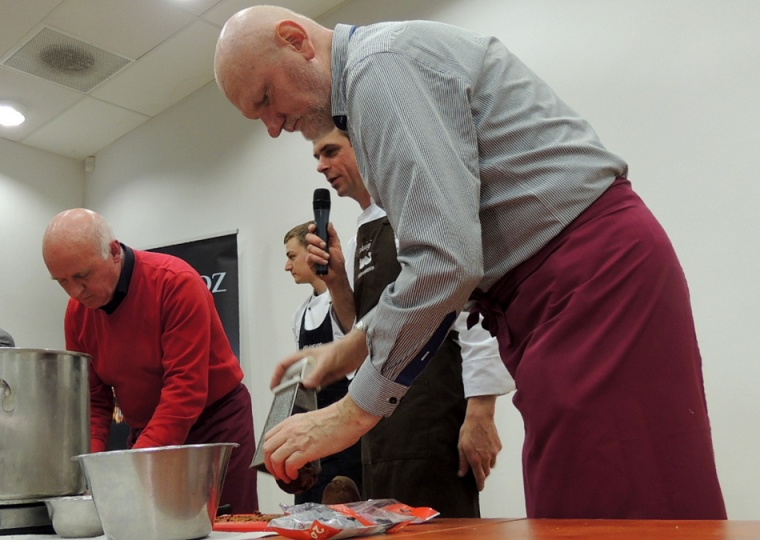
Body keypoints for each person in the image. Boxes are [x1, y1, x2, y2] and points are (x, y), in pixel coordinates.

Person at [214, 6, 726, 519]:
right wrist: (355, 346)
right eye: (257, 117)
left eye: (266, 99)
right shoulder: (375, 79)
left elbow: (445, 262)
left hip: (591, 278)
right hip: (559, 290)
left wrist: (350, 412)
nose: (274, 127)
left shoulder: (377, 69)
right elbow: (447, 255)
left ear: (294, 40)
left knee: (619, 507)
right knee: (581, 502)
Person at [309, 128, 514, 515]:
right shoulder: (356, 238)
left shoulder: (414, 215)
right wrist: (337, 281)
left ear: (364, 146)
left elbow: (471, 311)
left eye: (331, 151)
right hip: (379, 425)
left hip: (430, 415)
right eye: (316, 157)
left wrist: (481, 411)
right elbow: (365, 331)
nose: (321, 166)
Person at [42, 208, 259, 513]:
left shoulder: (175, 283)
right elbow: (94, 402)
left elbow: (184, 391)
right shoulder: (77, 313)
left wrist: (133, 468)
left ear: (114, 252)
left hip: (215, 427)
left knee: (227, 526)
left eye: (83, 276)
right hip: (147, 431)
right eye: (61, 281)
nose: (75, 292)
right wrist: (90, 477)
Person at [282, 221, 362, 504]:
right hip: (312, 438)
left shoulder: (342, 302)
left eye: (292, 257)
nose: (287, 266)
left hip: (346, 432)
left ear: (312, 251)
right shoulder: (299, 315)